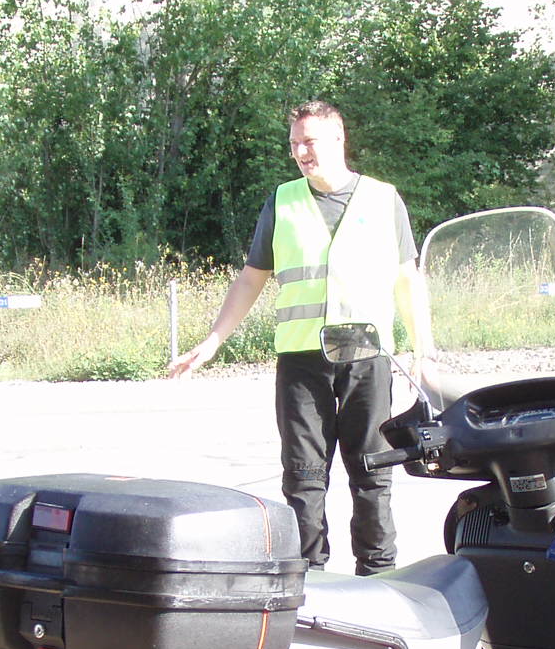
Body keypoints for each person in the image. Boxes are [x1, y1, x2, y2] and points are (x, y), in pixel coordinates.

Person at [169, 101, 427, 575]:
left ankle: (380, 575)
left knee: (373, 472)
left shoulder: (382, 198)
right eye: (294, 144)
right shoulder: (283, 201)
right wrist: (213, 340)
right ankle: (309, 580)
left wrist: (423, 350)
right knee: (304, 479)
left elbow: (408, 280)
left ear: (338, 138)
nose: (301, 152)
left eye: (309, 141)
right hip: (301, 360)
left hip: (366, 356)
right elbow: (251, 279)